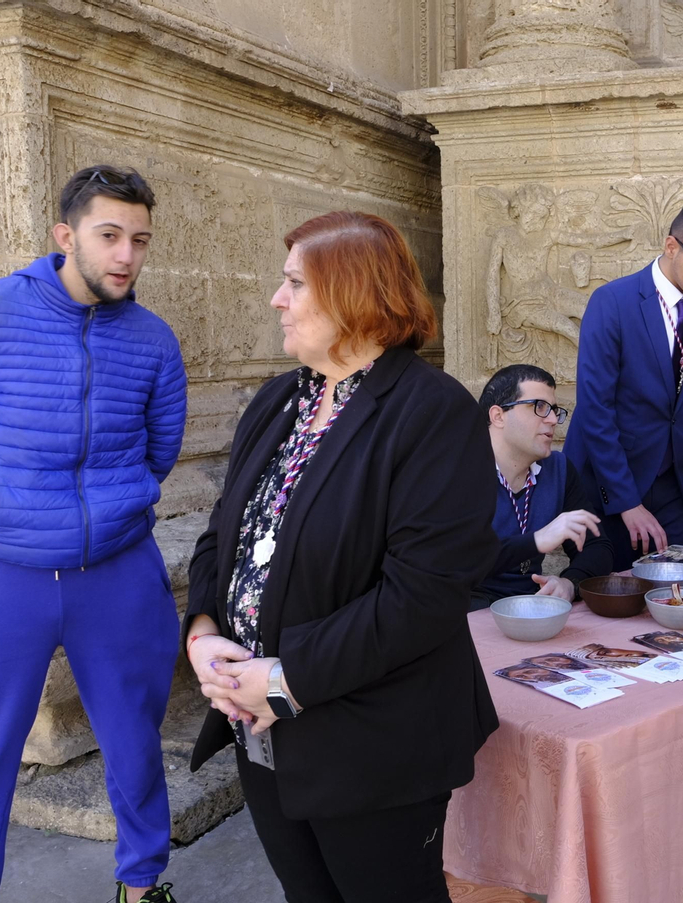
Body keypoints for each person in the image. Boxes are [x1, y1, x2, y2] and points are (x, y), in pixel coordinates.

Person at [182, 211, 498, 902]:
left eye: (295, 282)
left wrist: (286, 676)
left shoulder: (432, 412)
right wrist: (205, 635)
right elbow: (223, 536)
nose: (277, 298)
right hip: (262, 734)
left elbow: (425, 594)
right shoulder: (277, 401)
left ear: (355, 295)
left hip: (375, 744)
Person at [0, 166, 186, 903]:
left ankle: (141, 883)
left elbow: (160, 448)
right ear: (66, 236)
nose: (127, 255)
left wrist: (107, 512)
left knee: (133, 743)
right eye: (110, 235)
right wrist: (1, 513)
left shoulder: (153, 341)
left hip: (117, 574)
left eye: (140, 240)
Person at [566, 196, 683, 570]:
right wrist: (627, 501)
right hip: (607, 488)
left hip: (670, 490)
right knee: (607, 607)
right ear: (671, 246)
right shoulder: (611, 301)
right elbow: (595, 410)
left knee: (668, 599)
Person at [473, 364, 613, 609]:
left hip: (532, 608)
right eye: (539, 407)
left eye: (554, 410)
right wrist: (536, 541)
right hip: (469, 613)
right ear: (498, 416)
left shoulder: (557, 469)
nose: (552, 420)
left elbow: (597, 546)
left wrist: (571, 583)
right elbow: (458, 560)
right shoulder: (458, 470)